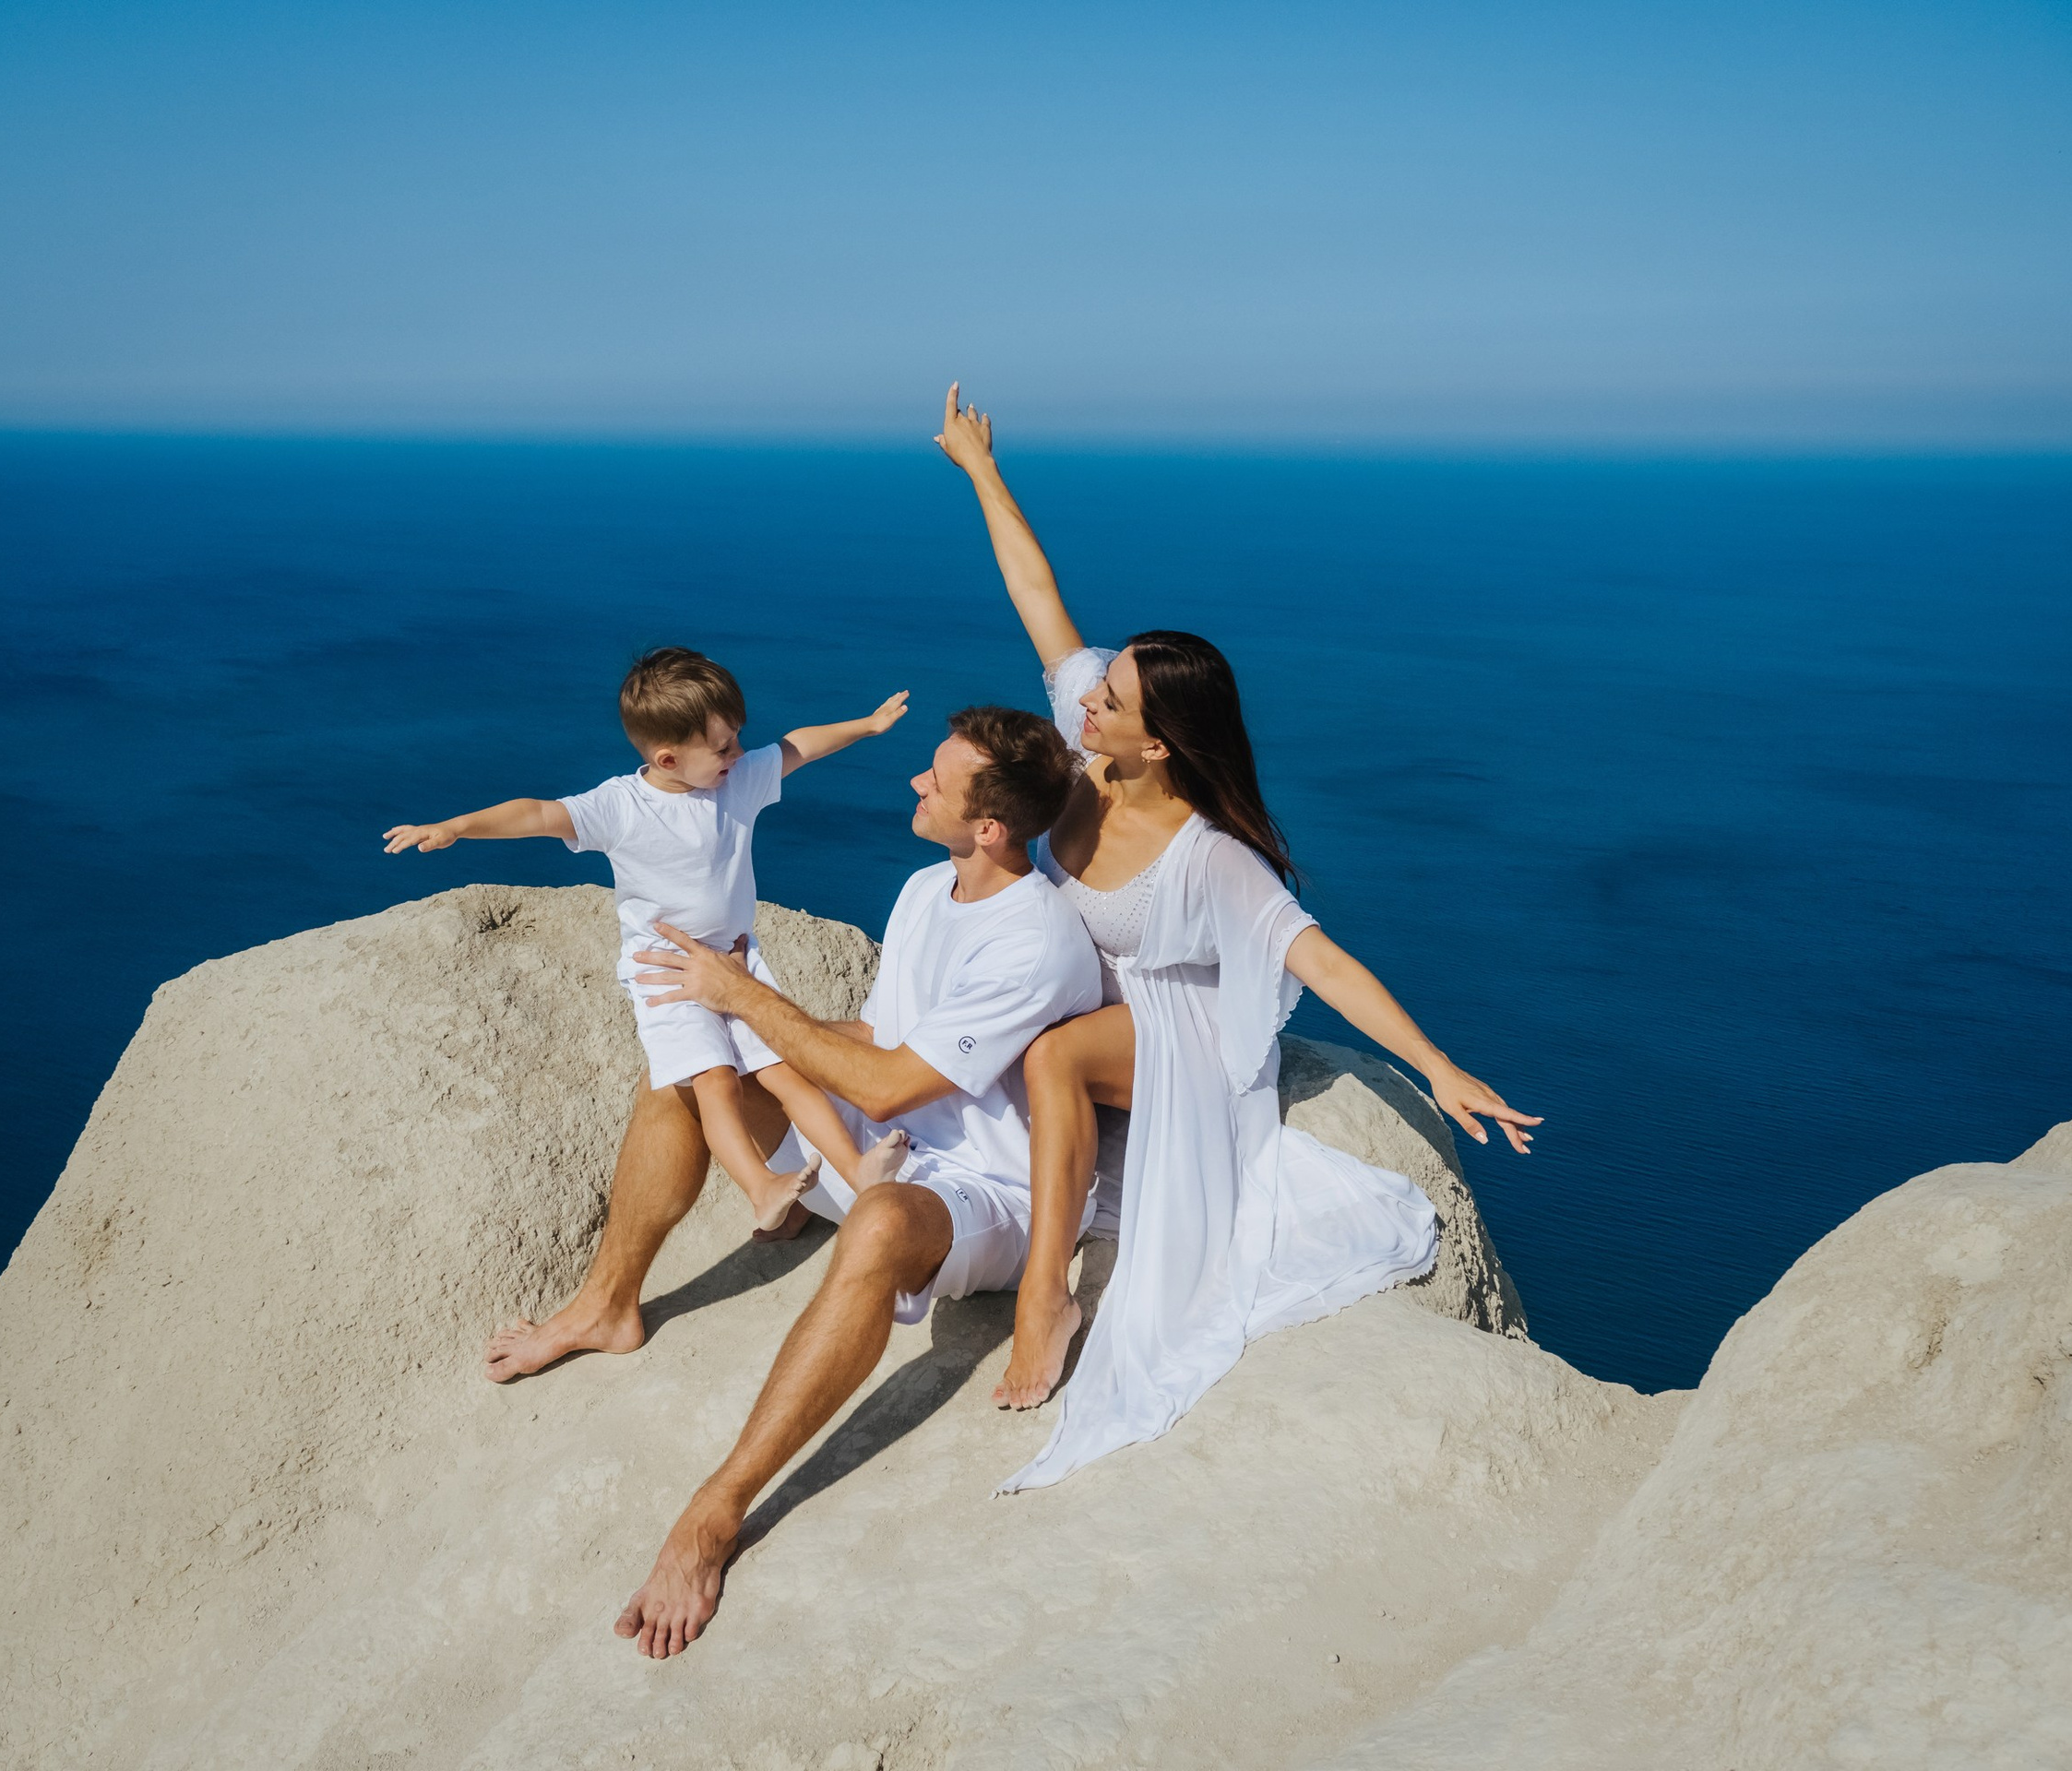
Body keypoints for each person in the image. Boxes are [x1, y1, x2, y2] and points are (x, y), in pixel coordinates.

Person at [934, 384, 1544, 1492]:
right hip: (1081, 990)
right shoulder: (1089, 747)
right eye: (1100, 682)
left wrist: (1439, 1067)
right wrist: (979, 469)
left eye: (1110, 698)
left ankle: (1046, 1301)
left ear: (1159, 745)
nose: (1085, 698)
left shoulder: (1210, 856)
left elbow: (1321, 960)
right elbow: (1038, 596)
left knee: (1051, 1057)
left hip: (1170, 1028)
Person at [501, 705, 1101, 1656]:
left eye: (936, 781)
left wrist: (743, 994)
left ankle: (717, 1510)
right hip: (884, 1138)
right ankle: (606, 1307)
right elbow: (878, 1041)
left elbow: (892, 1082)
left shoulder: (1033, 939)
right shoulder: (927, 889)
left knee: (879, 1220)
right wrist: (744, 1034)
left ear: (989, 827)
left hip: (986, 1192)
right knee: (690, 1071)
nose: (916, 783)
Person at [383, 646, 909, 1234]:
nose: (739, 753)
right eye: (723, 747)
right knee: (715, 1082)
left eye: (737, 738)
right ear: (668, 758)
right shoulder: (621, 807)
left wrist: (868, 725)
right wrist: (456, 827)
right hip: (667, 975)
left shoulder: (734, 779)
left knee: (788, 1071)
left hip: (738, 963)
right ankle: (760, 1188)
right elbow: (537, 814)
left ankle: (857, 1170)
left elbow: (797, 746)